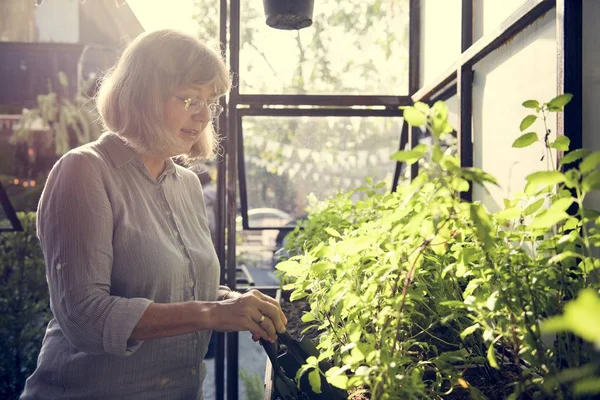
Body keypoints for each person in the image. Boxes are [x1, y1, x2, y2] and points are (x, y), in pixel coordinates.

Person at [21, 29, 287, 400]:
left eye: (211, 102)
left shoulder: (187, 185)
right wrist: (212, 313)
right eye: (191, 98)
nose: (204, 115)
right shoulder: (84, 171)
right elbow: (84, 316)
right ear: (144, 94)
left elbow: (185, 289)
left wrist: (235, 303)